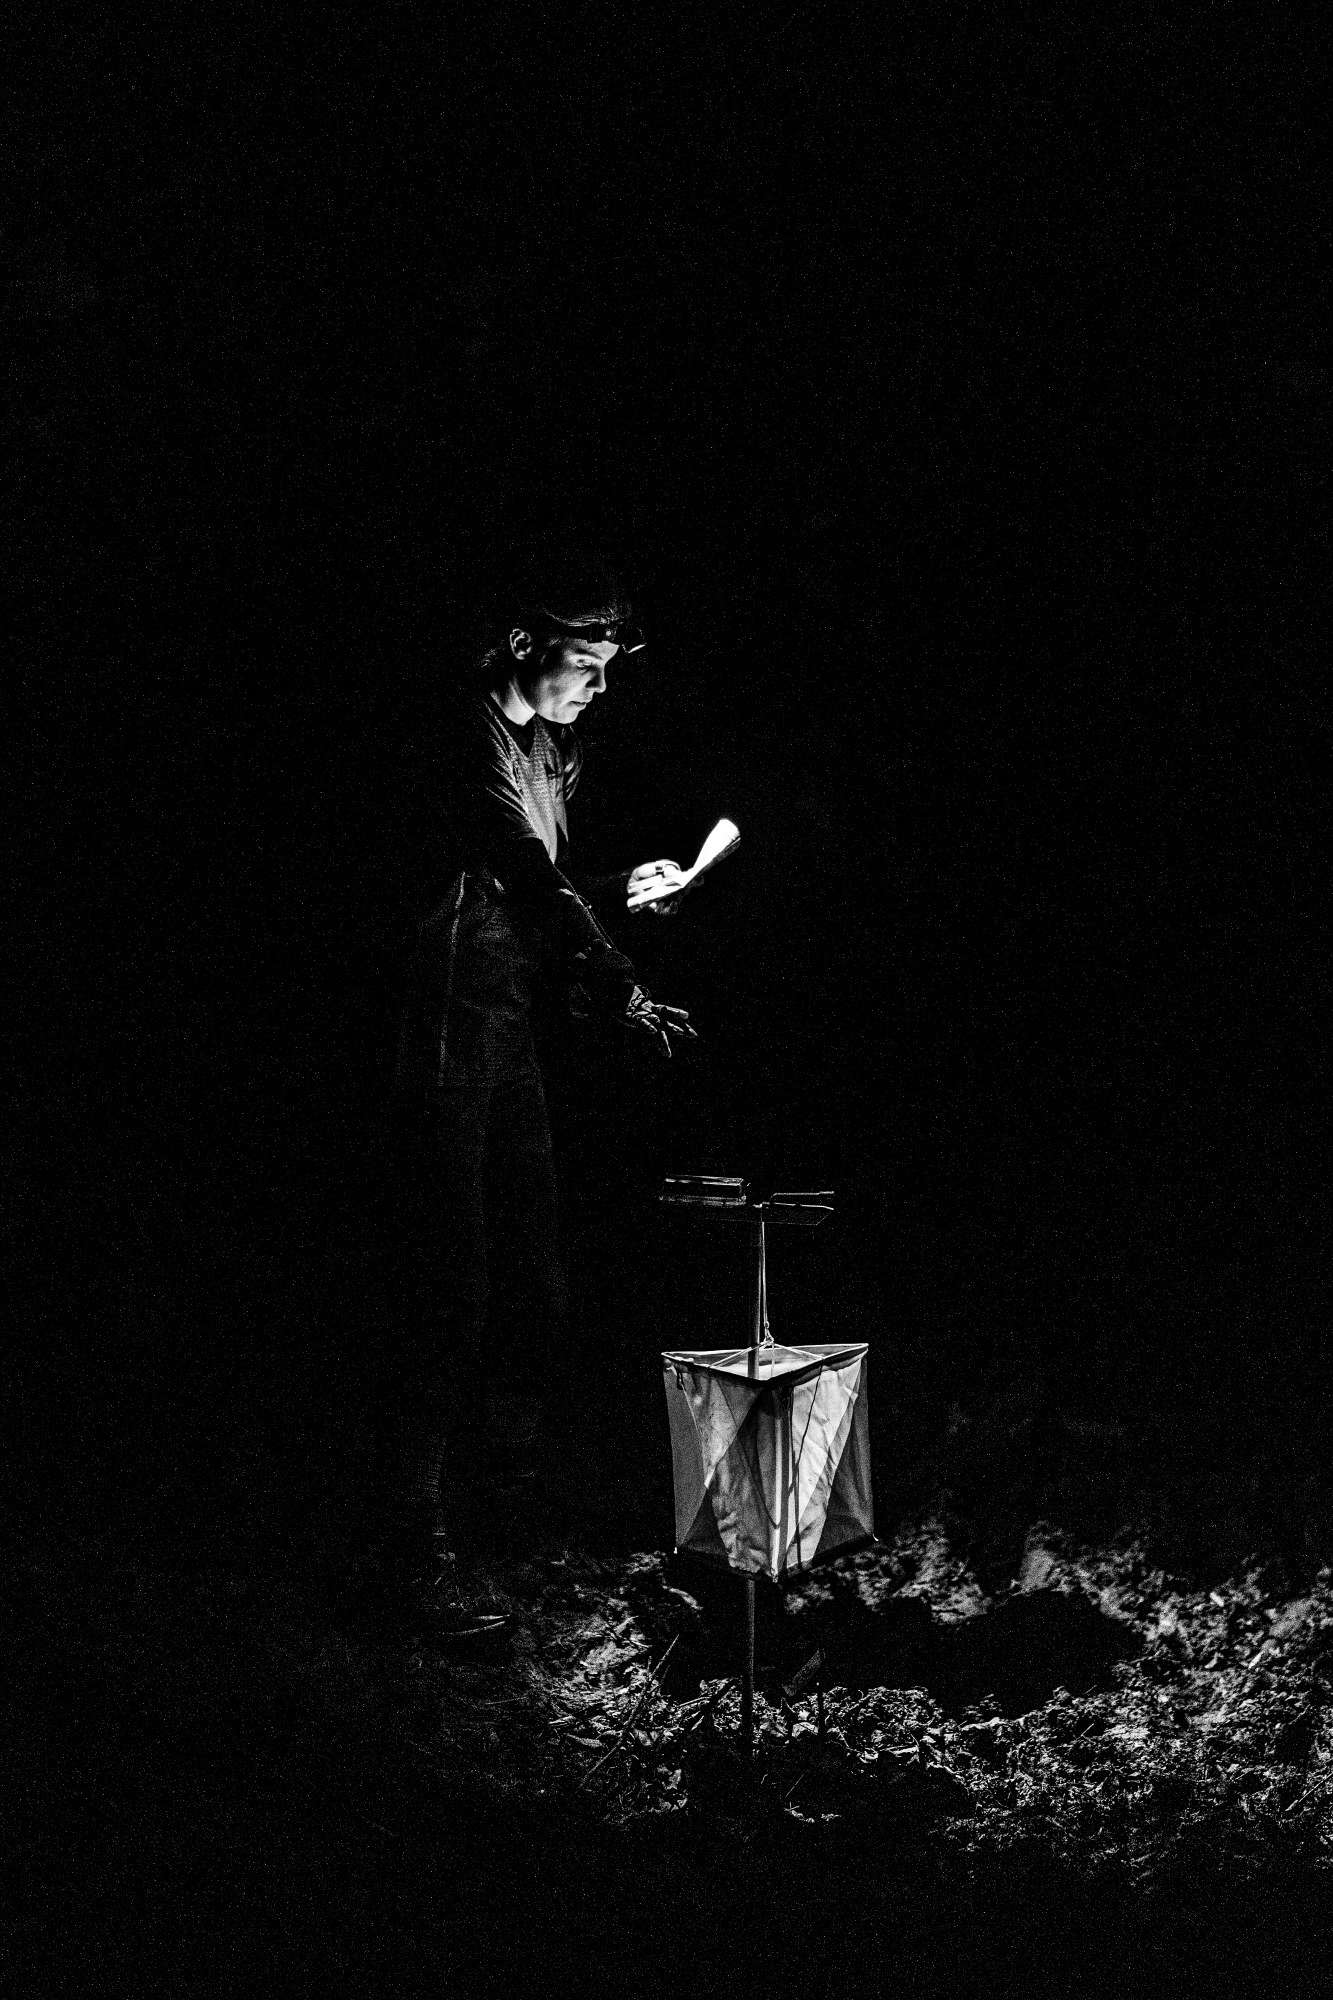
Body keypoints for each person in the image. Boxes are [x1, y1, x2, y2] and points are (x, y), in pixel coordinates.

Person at [382, 550, 693, 1639]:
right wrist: (614, 970)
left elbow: (543, 887)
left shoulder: (551, 748)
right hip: (438, 1035)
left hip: (506, 1032)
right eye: (586, 661)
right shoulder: (459, 733)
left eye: (609, 667)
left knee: (536, 1281)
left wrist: (615, 894)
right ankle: (405, 1546)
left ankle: (506, 1505)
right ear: (523, 643)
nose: (600, 685)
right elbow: (514, 864)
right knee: (448, 1291)